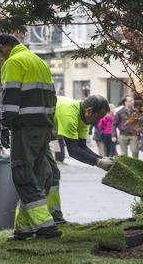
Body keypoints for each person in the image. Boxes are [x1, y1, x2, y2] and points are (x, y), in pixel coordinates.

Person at [0, 33, 60, 240]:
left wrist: (6, 125)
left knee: (22, 173)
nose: (2, 59)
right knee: (36, 175)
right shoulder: (39, 62)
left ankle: (45, 225)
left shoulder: (14, 62)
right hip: (43, 126)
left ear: (4, 46)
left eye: (0, 54)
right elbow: (52, 97)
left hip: (25, 127)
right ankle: (24, 228)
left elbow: (11, 97)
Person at [47, 95, 114, 223]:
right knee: (47, 174)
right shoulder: (70, 114)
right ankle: (47, 217)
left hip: (45, 136)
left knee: (53, 174)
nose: (98, 122)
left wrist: (102, 158)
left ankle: (55, 216)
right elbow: (73, 150)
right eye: (98, 117)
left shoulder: (83, 117)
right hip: (32, 133)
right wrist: (99, 162)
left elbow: (82, 146)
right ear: (89, 111)